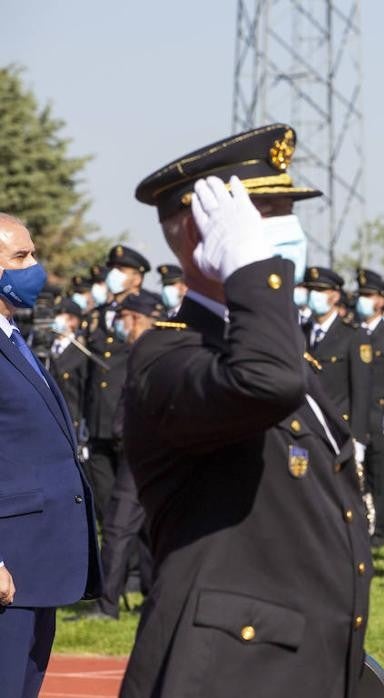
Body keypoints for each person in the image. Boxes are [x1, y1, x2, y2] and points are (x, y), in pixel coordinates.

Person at [125, 124, 371, 696]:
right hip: (225, 672)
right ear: (200, 228)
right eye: (264, 209)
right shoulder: (167, 355)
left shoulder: (280, 348)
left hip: (302, 664)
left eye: (287, 209)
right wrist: (251, 272)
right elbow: (264, 384)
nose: (284, 231)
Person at [0, 212, 101, 697]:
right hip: (9, 566)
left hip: (36, 563)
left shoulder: (14, 337)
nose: (34, 267)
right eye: (20, 257)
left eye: (33, 254)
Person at [83, 292, 163, 620]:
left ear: (138, 319)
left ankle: (106, 604)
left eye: (128, 318)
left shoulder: (153, 351)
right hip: (143, 450)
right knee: (144, 532)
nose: (124, 326)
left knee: (117, 528)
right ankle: (152, 596)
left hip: (143, 451)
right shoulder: (151, 350)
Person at [85, 245, 153, 522]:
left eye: (122, 270)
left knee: (132, 512)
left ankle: (136, 567)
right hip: (98, 420)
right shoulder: (96, 316)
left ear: (137, 278)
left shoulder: (148, 311)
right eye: (112, 269)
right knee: (105, 505)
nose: (114, 275)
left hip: (129, 420)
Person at [302, 266, 371, 447]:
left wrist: (358, 438)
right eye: (311, 290)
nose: (313, 295)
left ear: (335, 296)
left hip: (338, 427)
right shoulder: (300, 332)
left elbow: (360, 390)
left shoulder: (353, 335)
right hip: (305, 427)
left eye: (320, 290)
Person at [356, 269, 384, 547]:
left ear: (381, 300)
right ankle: (361, 526)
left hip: (382, 414)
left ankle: (379, 531)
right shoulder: (353, 333)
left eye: (369, 295)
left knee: (380, 478)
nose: (363, 300)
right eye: (361, 295)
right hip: (358, 415)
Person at [48, 298, 91, 439]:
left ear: (73, 321)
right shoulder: (44, 346)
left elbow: (84, 390)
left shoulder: (81, 352)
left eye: (60, 314)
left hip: (69, 419)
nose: (55, 318)